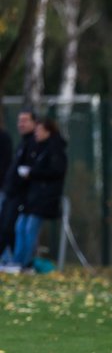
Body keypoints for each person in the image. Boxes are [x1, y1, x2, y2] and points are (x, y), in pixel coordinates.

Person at [11, 115, 68, 269]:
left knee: (30, 229)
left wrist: (33, 173)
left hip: (44, 198)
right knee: (20, 227)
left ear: (48, 131)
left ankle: (25, 263)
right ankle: (17, 261)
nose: (36, 133)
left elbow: (56, 171)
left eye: (39, 130)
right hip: (31, 197)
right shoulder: (37, 148)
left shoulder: (55, 149)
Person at [0, 110, 36, 262]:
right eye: (19, 120)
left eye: (25, 120)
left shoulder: (32, 143)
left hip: (20, 195)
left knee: (17, 228)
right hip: (10, 192)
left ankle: (20, 262)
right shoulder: (23, 143)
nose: (21, 124)